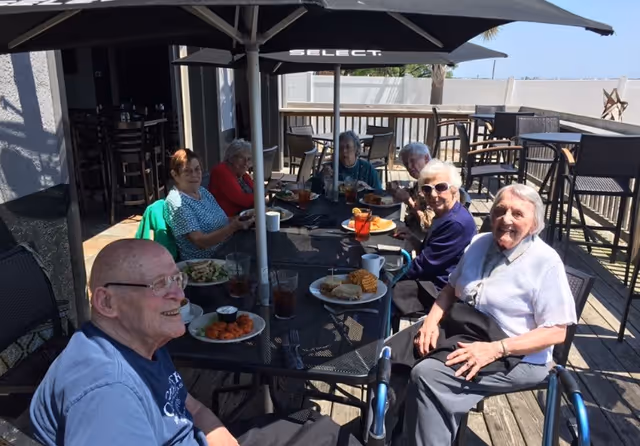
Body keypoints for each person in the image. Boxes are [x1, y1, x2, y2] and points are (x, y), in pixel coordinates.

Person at [30, 239, 360, 446]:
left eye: (177, 279)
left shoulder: (140, 344)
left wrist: (221, 437)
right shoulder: (107, 392)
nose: (180, 294)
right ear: (107, 303)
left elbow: (192, 406)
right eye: (159, 284)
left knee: (318, 428)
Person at [386, 184, 577, 446]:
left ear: (535, 224)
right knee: (390, 356)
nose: (505, 219)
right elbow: (450, 289)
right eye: (499, 211)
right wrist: (430, 321)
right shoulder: (479, 242)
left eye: (517, 214)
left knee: (429, 375)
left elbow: (557, 331)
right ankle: (392, 436)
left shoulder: (545, 262)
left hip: (517, 354)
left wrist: (496, 349)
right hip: (462, 329)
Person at [392, 159, 476, 325]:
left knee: (385, 293)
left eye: (441, 187)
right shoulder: (445, 214)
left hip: (441, 290)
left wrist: (390, 277)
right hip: (434, 278)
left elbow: (423, 266)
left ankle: (377, 343)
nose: (433, 194)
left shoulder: (456, 223)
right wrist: (412, 238)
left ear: (454, 189)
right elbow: (431, 252)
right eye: (427, 189)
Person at [164, 149, 253, 260]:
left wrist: (243, 218)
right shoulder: (177, 202)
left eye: (197, 169)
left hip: (228, 246)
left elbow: (221, 220)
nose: (194, 175)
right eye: (187, 171)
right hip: (208, 262)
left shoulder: (202, 191)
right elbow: (200, 241)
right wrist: (233, 227)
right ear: (175, 175)